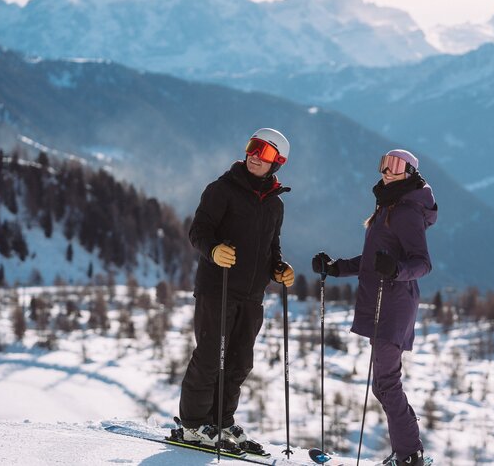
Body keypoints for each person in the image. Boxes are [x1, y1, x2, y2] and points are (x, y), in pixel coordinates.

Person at [312, 149, 437, 466]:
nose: (387, 171)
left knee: (385, 384)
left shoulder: (407, 211)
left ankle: (410, 455)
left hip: (394, 304)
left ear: (410, 172)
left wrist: (396, 270)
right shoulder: (388, 205)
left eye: (396, 166)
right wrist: (336, 268)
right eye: (384, 164)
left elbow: (422, 264)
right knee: (385, 384)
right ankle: (409, 452)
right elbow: (373, 260)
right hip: (382, 300)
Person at [178, 128, 295, 449]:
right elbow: (198, 231)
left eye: (266, 152)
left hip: (252, 294)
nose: (256, 155)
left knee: (240, 361)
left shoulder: (275, 205)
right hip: (218, 286)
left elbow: (272, 247)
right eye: (253, 147)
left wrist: (279, 268)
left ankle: (220, 422)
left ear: (278, 162)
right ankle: (192, 425)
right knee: (210, 355)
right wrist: (213, 250)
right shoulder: (221, 190)